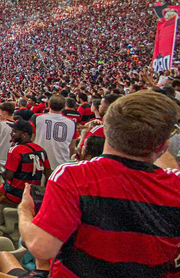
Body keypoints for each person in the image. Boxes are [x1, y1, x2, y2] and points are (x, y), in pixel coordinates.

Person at [19, 90, 180, 277]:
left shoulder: (73, 177)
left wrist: (24, 212)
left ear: (107, 129)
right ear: (162, 145)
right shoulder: (174, 183)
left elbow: (42, 249)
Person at [0, 120, 51, 211]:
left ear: (24, 135)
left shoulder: (16, 150)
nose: (11, 134)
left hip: (15, 194)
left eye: (14, 131)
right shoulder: (41, 150)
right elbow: (48, 174)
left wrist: (0, 168)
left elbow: (8, 176)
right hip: (33, 193)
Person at [33, 95, 76, 171]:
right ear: (64, 106)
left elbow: (31, 138)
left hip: (40, 161)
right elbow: (72, 147)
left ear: (48, 104)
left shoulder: (38, 118)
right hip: (62, 162)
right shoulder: (71, 123)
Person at [0, 102, 15, 166]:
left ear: (4, 112)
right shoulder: (17, 124)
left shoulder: (0, 124)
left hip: (0, 156)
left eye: (0, 112)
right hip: (13, 156)